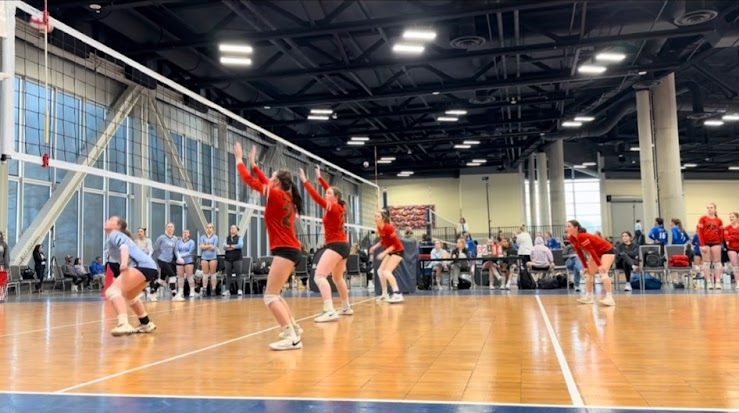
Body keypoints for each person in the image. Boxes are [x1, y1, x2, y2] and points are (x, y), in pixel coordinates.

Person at [235, 143, 304, 350]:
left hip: (286, 249)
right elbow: (264, 181)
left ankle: (292, 338)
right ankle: (293, 327)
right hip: (291, 249)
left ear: (277, 182)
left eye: (272, 177)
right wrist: (255, 164)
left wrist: (239, 160)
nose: (269, 179)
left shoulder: (274, 195)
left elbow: (250, 182)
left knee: (270, 296)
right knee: (276, 293)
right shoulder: (287, 197)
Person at [299, 165, 353, 322]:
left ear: (334, 197)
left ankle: (329, 311)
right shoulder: (341, 206)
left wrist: (305, 181)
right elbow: (329, 190)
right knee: (338, 278)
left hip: (336, 245)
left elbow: (317, 198)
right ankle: (346, 306)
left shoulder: (333, 207)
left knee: (319, 276)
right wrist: (320, 178)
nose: (325, 193)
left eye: (328, 193)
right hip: (344, 245)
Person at [104, 216, 158, 336]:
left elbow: (124, 247)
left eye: (111, 220)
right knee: (130, 296)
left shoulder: (115, 234)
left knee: (112, 291)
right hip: (149, 267)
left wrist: (123, 264)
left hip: (141, 266)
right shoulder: (116, 237)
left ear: (117, 226)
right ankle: (146, 323)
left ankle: (124, 324)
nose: (107, 221)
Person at [567, 219, 616, 306]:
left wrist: (599, 265)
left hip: (607, 250)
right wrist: (585, 266)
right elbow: (579, 252)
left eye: (569, 226)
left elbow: (591, 250)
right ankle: (589, 296)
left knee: (603, 271)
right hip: (597, 253)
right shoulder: (571, 238)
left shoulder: (582, 236)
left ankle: (609, 297)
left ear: (576, 228)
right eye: (566, 226)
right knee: (588, 273)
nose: (567, 228)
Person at [369, 209, 405, 303]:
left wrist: (383, 253)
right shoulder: (379, 228)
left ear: (383, 218)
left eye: (378, 216)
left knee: (387, 272)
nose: (375, 218)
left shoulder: (389, 227)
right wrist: (375, 246)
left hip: (398, 251)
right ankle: (385, 294)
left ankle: (397, 294)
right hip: (391, 252)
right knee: (380, 271)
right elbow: (383, 240)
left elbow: (395, 245)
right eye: (375, 216)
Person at [697, 203, 724, 289]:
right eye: (708, 208)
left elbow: (721, 233)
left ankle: (718, 281)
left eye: (711, 208)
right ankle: (709, 282)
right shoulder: (703, 219)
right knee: (706, 262)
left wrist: (720, 242)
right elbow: (700, 232)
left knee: (717, 262)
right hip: (705, 243)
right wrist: (702, 245)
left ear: (715, 209)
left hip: (716, 242)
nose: (709, 209)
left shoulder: (719, 220)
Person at [151, 223, 177, 299]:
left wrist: (178, 258)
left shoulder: (175, 238)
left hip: (169, 261)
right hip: (161, 259)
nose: (170, 228)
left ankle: (153, 291)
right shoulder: (161, 238)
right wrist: (150, 257)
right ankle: (174, 294)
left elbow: (175, 250)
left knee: (162, 280)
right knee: (172, 275)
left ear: (173, 228)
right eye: (168, 227)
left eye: (171, 227)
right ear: (166, 228)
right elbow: (155, 248)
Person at [173, 229, 196, 301]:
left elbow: (190, 252)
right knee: (180, 276)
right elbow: (176, 250)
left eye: (187, 233)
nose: (185, 234)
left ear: (189, 234)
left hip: (188, 260)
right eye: (184, 232)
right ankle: (180, 291)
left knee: (189, 276)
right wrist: (179, 257)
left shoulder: (192, 242)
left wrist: (182, 255)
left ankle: (192, 290)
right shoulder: (178, 242)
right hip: (179, 260)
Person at [222, 224, 244, 296]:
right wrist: (234, 246)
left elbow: (240, 245)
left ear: (237, 230)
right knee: (228, 274)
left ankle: (240, 289)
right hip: (228, 258)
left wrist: (230, 246)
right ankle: (227, 290)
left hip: (237, 258)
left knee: (238, 273)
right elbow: (224, 247)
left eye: (234, 228)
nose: (232, 229)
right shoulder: (226, 238)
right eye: (231, 228)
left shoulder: (239, 238)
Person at [199, 223, 219, 296]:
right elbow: (201, 247)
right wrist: (209, 246)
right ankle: (204, 289)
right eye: (207, 228)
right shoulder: (202, 237)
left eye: (210, 228)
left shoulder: (215, 237)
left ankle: (213, 289)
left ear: (213, 229)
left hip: (213, 257)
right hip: (204, 257)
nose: (209, 229)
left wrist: (205, 246)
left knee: (213, 273)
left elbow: (214, 247)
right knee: (205, 274)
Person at [724, 212, 739, 288]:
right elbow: (727, 238)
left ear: (737, 218)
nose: (731, 218)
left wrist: (732, 237)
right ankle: (738, 282)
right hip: (731, 248)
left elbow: (730, 238)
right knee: (735, 266)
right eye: (730, 217)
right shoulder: (727, 228)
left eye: (733, 217)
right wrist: (736, 236)